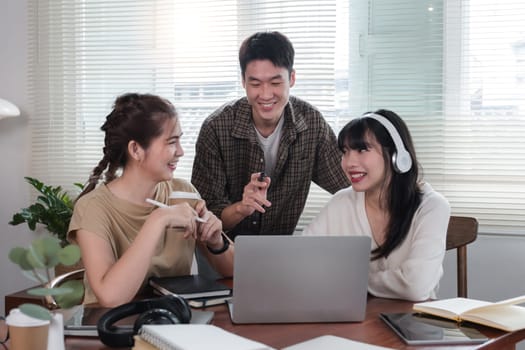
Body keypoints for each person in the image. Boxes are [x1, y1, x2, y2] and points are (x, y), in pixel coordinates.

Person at [68, 93, 234, 307]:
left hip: (171, 322)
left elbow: (233, 271)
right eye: (172, 142)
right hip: (111, 328)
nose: (181, 152)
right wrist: (158, 220)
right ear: (136, 149)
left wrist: (216, 242)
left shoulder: (184, 193)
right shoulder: (93, 208)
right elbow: (110, 297)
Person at [191, 31, 350, 240]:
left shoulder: (311, 123)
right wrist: (241, 208)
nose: (265, 95)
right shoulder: (215, 128)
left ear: (292, 78)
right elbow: (204, 216)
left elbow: (348, 184)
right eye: (255, 84)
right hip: (222, 251)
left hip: (279, 253)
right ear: (243, 81)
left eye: (275, 83)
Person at [302, 109, 450, 302]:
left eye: (362, 149)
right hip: (356, 318)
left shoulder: (432, 207)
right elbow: (301, 264)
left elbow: (415, 285)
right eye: (345, 152)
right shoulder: (341, 202)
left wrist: (348, 281)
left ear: (397, 156)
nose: (349, 162)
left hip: (412, 321)